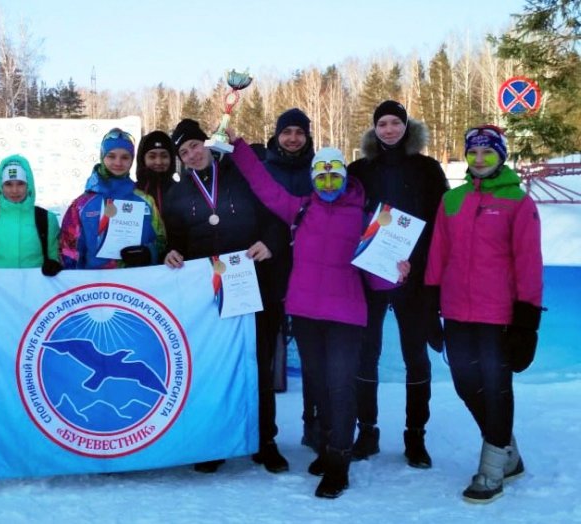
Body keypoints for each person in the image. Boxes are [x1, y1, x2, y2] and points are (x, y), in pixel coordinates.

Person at [227, 132, 409, 498]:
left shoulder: (364, 217)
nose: (328, 184)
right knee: (319, 385)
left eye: (334, 177)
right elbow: (264, 187)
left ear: (344, 178)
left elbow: (376, 277)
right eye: (321, 178)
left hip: (345, 315)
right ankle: (327, 447)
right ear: (313, 179)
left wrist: (397, 272)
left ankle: (339, 462)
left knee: (340, 386)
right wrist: (239, 147)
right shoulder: (301, 209)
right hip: (306, 313)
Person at [425, 125, 543, 503]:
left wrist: (527, 322)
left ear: (501, 156)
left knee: (496, 386)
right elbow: (438, 253)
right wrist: (430, 305)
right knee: (465, 384)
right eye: (473, 153)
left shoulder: (518, 202)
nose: (478, 159)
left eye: (487, 152)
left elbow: (528, 263)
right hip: (456, 310)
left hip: (499, 314)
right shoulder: (452, 200)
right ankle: (508, 451)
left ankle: (492, 470)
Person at [163, 118, 287, 474]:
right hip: (209, 293)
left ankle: (266, 441)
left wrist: (270, 242)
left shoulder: (243, 174)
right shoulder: (177, 195)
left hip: (253, 283)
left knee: (258, 363)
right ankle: (216, 442)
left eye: (195, 146)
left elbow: (276, 216)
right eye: (184, 152)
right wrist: (172, 253)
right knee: (214, 366)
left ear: (207, 143)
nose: (192, 155)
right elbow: (175, 240)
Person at [347, 100, 449, 468]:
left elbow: (440, 225)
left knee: (415, 357)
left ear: (406, 127)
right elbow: (346, 218)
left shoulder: (427, 169)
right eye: (382, 124)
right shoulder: (359, 170)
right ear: (374, 129)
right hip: (369, 276)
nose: (389, 129)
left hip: (413, 277)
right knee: (366, 354)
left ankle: (415, 436)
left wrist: (416, 265)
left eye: (395, 123)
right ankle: (367, 431)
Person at [263, 108, 318, 450]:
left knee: (313, 355)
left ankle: (314, 425)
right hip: (270, 270)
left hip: (311, 272)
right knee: (265, 353)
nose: (293, 138)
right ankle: (264, 433)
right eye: (287, 132)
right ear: (277, 135)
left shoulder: (319, 169)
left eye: (299, 132)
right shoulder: (265, 169)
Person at [60, 128, 165, 269]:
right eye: (111, 156)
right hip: (95, 281)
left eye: (125, 157)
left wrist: (149, 253)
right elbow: (68, 249)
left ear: (132, 160)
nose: (118, 162)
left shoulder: (146, 201)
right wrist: (73, 279)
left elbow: (161, 241)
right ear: (102, 157)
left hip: (135, 280)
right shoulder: (82, 204)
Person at [0, 154, 62, 278]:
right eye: (8, 184)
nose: (14, 190)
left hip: (36, 286)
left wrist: (54, 263)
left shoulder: (46, 219)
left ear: (29, 185)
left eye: (20, 184)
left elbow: (56, 255)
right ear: (1, 186)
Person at [135, 130, 178, 215]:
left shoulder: (180, 191)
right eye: (152, 156)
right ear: (143, 159)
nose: (158, 162)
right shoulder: (133, 191)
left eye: (164, 156)